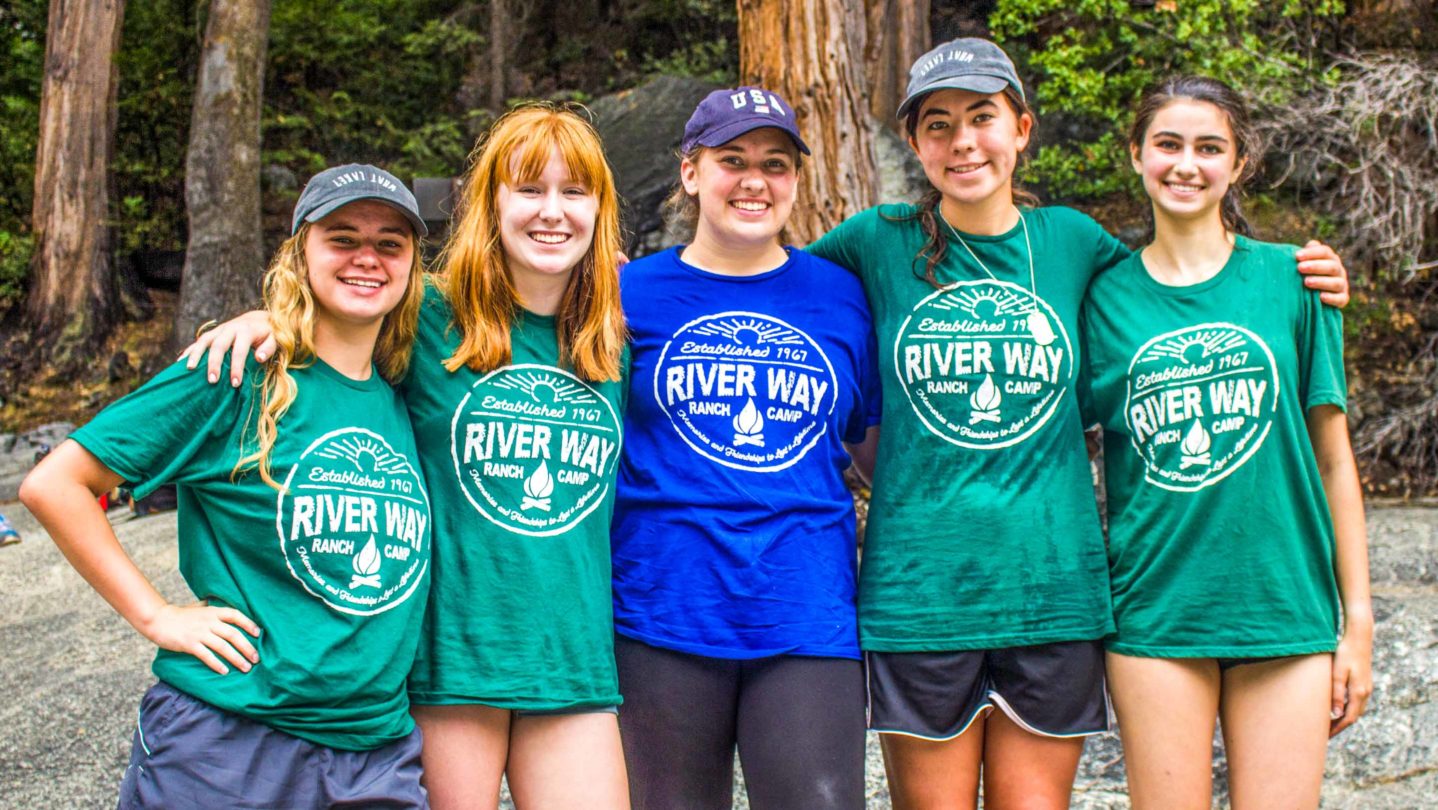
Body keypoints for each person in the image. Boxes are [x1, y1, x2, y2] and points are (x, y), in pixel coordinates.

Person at [804, 38, 1352, 810]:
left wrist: (1307, 276)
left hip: (1056, 591)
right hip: (918, 593)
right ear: (915, 141)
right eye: (938, 124)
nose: (963, 142)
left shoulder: (1075, 244)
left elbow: (1178, 287)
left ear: (1022, 129)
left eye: (983, 117)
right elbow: (772, 292)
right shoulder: (875, 239)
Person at [178, 105, 631, 810]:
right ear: (491, 204)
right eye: (529, 189)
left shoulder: (614, 340)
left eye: (574, 192)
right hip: (446, 663)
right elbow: (334, 306)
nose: (552, 212)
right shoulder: (423, 314)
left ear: (600, 211)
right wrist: (265, 320)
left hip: (568, 663)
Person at [21, 164, 433, 808]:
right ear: (301, 253)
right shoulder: (237, 373)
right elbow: (56, 483)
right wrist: (157, 616)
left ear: (412, 264)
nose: (367, 258)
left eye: (390, 243)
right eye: (342, 238)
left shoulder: (404, 394)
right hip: (230, 740)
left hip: (375, 750)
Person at [1079, 75, 1371, 810]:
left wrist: (1357, 622)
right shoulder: (1100, 298)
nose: (1187, 164)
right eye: (1168, 144)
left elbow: (1333, 458)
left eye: (1210, 148)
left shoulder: (1296, 279)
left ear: (1238, 164)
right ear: (1137, 154)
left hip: (1284, 605)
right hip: (1154, 611)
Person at [611, 87, 880, 809]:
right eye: (733, 160)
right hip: (661, 609)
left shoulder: (842, 296)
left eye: (776, 163)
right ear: (692, 172)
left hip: (805, 611)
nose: (755, 180)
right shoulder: (625, 293)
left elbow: (877, 453)